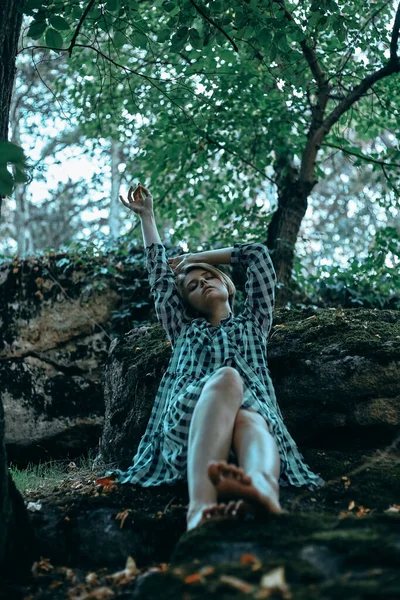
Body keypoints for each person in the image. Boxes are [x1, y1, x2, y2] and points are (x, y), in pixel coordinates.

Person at [112, 182, 324, 531]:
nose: (202, 284)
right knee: (228, 378)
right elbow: (159, 277)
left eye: (209, 278)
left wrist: (196, 259)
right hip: (189, 422)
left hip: (248, 416)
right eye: (192, 286)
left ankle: (261, 487)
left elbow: (257, 255)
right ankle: (200, 507)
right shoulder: (183, 330)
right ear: (187, 304)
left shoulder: (254, 325)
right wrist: (147, 217)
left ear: (228, 285)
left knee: (253, 420)